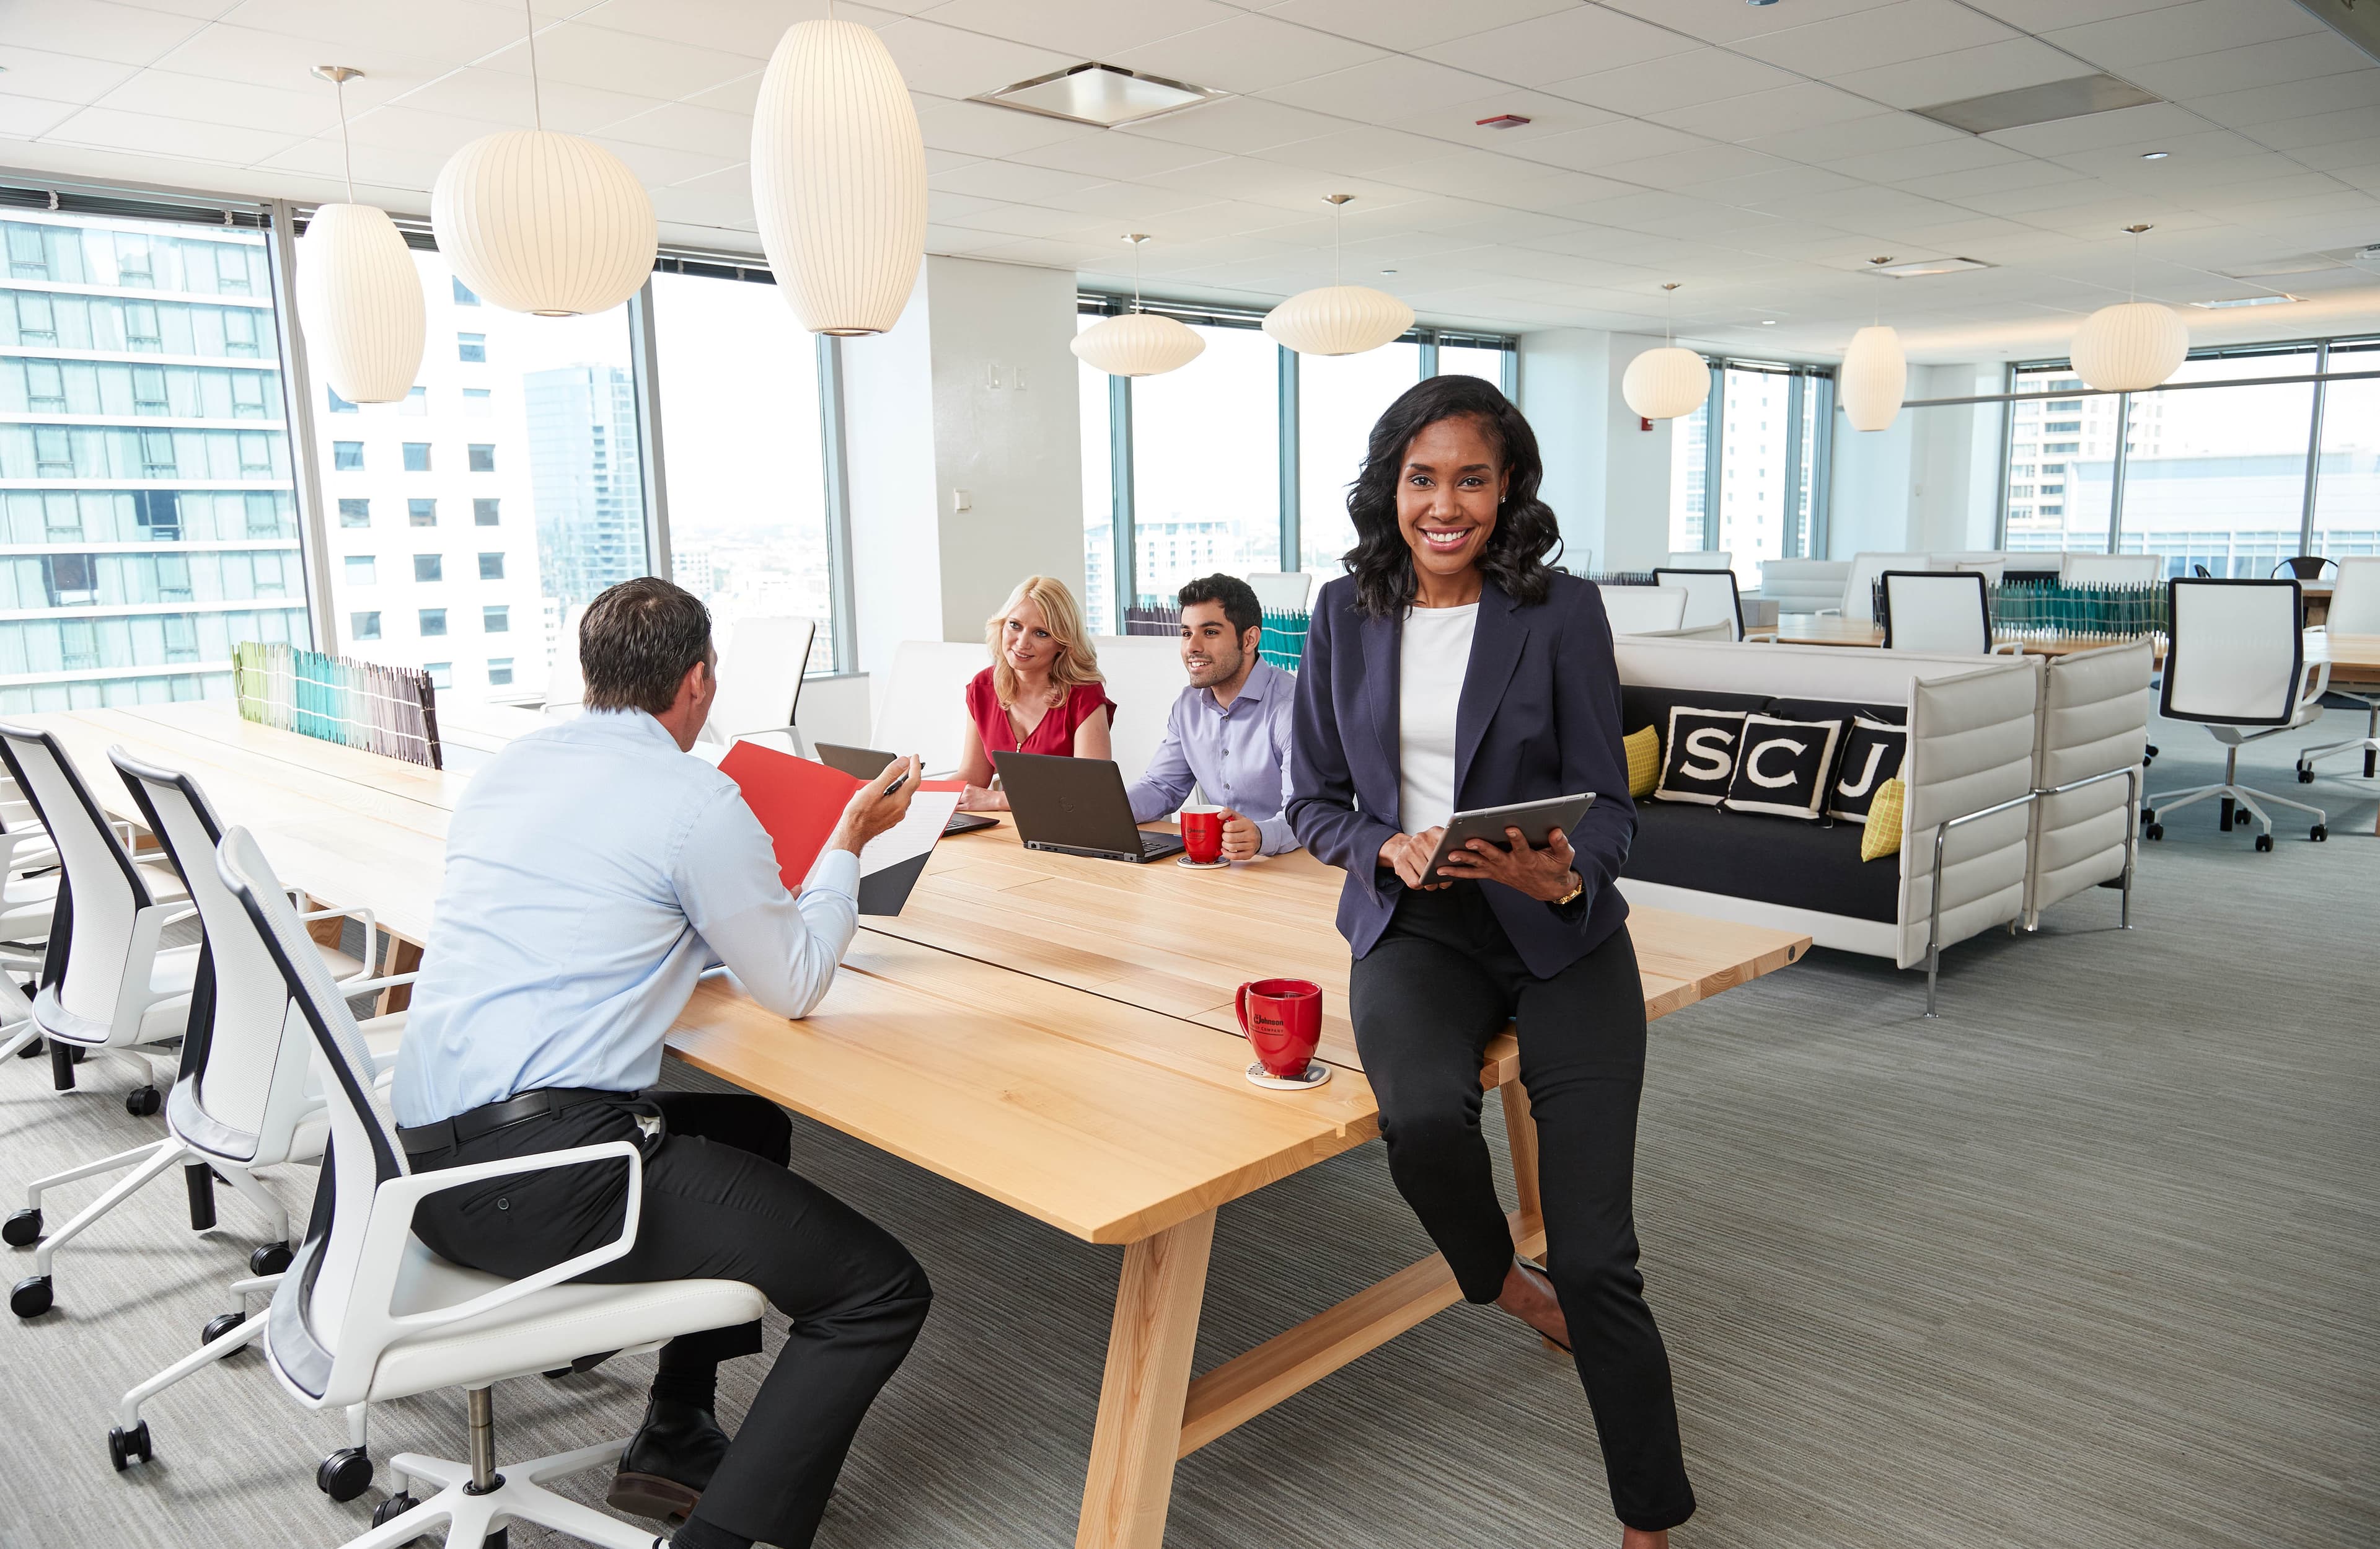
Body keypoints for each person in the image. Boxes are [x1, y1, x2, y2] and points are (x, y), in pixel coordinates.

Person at [389, 577, 929, 1549]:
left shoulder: (511, 767)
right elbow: (797, 981)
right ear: (698, 681)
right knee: (877, 1289)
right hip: (543, 1185)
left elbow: (591, 915)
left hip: (422, 1171)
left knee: (752, 1126)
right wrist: (846, 842)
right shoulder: (695, 799)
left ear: (591, 672)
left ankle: (676, 1427)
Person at [1287, 376, 1693, 1546]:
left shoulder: (1558, 611)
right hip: (1418, 926)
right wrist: (1382, 843)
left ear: (1507, 487)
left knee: (1598, 1255)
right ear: (1391, 487)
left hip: (1558, 930)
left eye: (1472, 478)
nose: (1445, 504)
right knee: (1420, 1121)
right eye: (1423, 478)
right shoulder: (1343, 610)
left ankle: (1649, 1520)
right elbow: (1312, 798)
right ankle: (1503, 1281)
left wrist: (1564, 875)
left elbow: (1609, 804)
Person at [1126, 572, 1298, 860]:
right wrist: (1104, 808)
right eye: (1186, 634)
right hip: (1222, 863)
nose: (1192, 647)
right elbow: (1162, 787)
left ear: (1249, 639)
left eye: (1210, 632)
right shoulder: (1187, 706)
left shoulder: (1291, 707)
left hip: (1291, 863)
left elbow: (1308, 811)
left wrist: (1260, 836)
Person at [954, 574, 1113, 811]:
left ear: (1062, 643)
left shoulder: (1084, 696)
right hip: (1007, 825)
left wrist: (999, 800)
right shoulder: (983, 687)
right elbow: (973, 776)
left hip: (1064, 826)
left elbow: (1089, 789)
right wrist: (914, 793)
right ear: (1002, 625)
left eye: (1041, 633)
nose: (1022, 643)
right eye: (1015, 625)